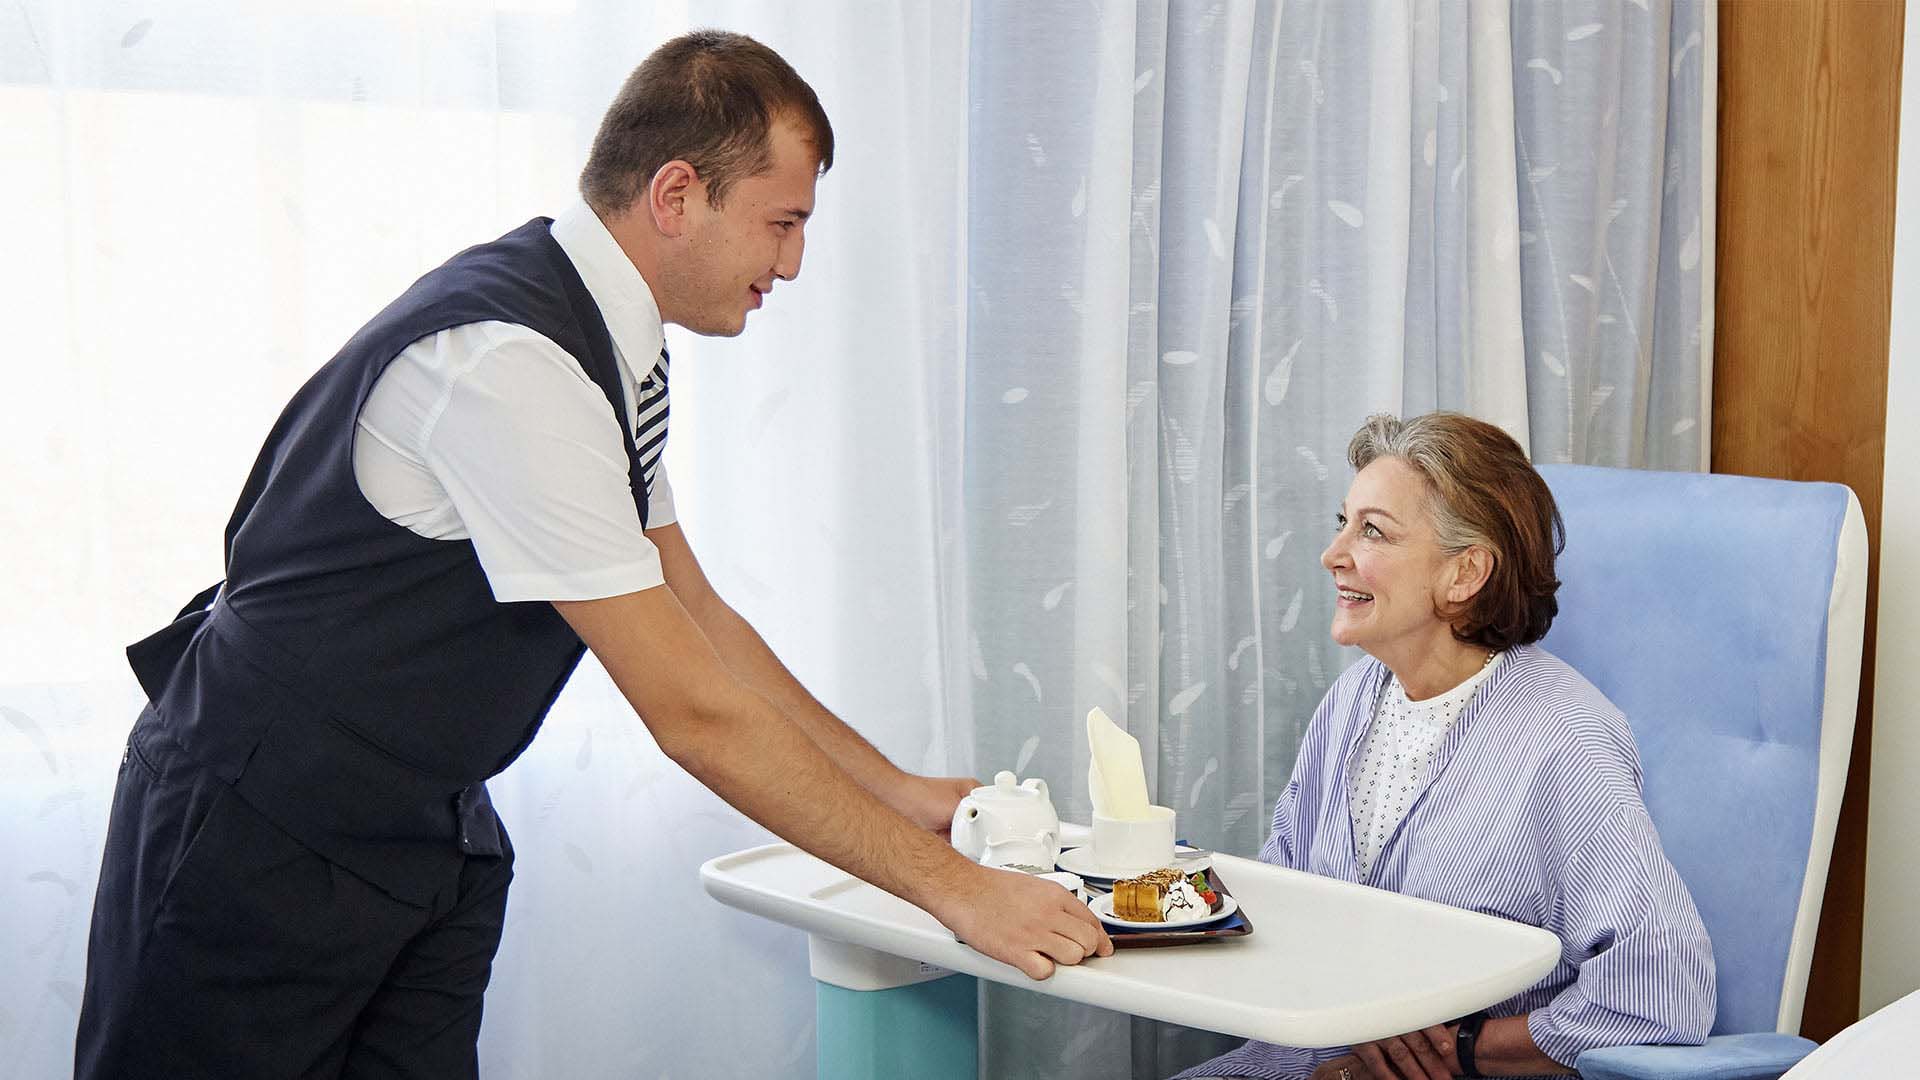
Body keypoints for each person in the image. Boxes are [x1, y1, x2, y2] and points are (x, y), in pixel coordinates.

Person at [75, 29, 1109, 1079]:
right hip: (261, 831)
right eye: (782, 222)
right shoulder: (514, 367)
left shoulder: (603, 351)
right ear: (675, 195)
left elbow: (696, 618)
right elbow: (692, 712)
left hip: (421, 832)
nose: (791, 263)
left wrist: (898, 791)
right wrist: (957, 891)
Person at [1180, 413, 1714, 1080]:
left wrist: (1461, 1049)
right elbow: (1283, 898)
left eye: (1372, 530)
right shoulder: (1351, 703)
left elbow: (1661, 992)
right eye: (1341, 522)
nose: (1333, 553)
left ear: (1465, 575)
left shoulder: (1563, 741)